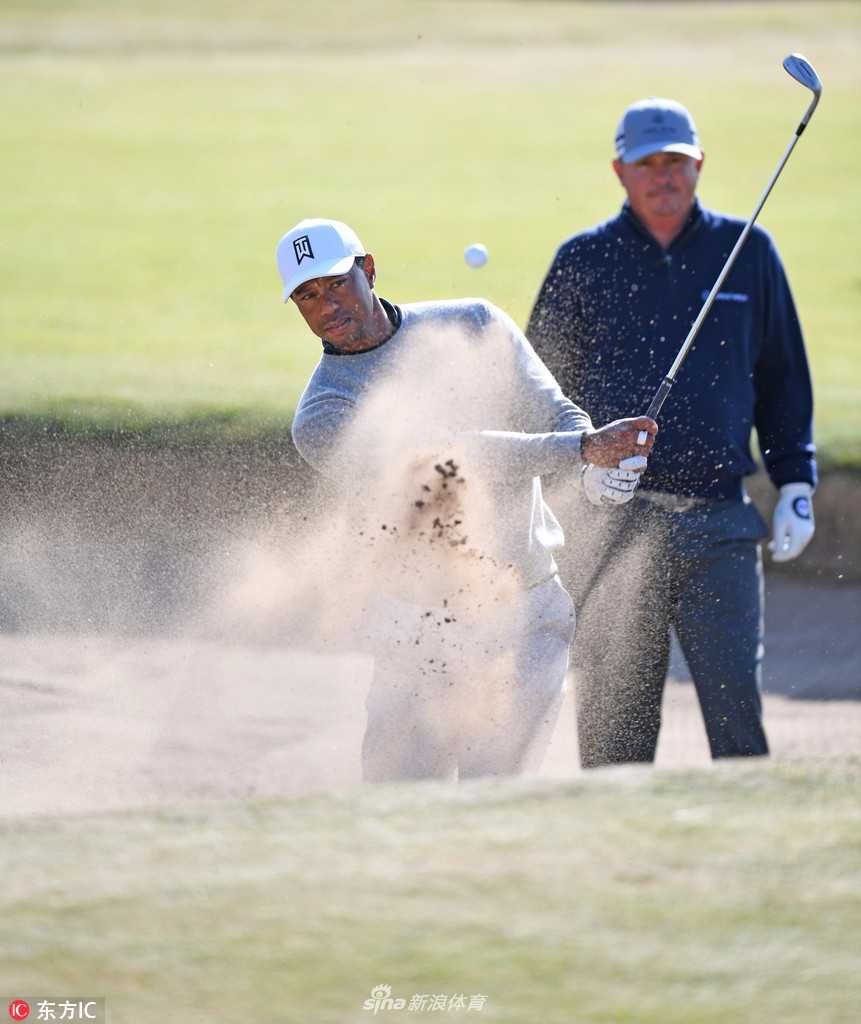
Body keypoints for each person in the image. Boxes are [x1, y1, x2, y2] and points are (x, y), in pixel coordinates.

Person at [276, 217, 657, 782]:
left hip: (526, 614)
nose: (326, 305)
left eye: (336, 283)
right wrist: (581, 449)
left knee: (496, 799)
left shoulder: (473, 323)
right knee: (402, 808)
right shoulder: (323, 416)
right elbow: (450, 459)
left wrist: (590, 472)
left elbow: (554, 410)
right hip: (416, 630)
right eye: (307, 296)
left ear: (369, 270)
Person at [527, 97, 816, 768]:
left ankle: (745, 862)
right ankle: (618, 863)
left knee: (736, 717)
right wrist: (582, 467)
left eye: (676, 163)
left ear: (699, 166)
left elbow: (781, 377)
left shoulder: (746, 252)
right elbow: (539, 391)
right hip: (611, 525)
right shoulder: (583, 259)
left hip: (718, 522)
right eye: (647, 164)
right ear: (619, 172)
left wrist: (795, 479)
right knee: (613, 724)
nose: (663, 176)